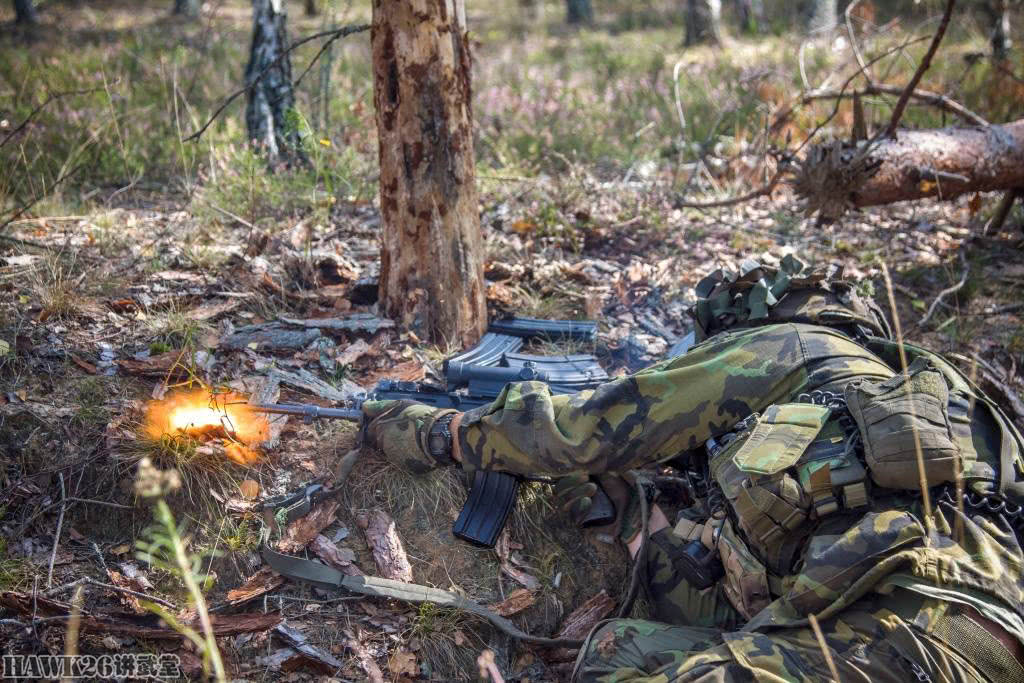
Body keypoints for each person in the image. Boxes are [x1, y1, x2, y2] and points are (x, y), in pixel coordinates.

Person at [361, 256, 1024, 682]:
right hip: (972, 638)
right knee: (615, 649)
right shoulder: (922, 395)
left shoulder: (781, 346)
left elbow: (583, 428)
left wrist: (437, 430)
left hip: (903, 643)